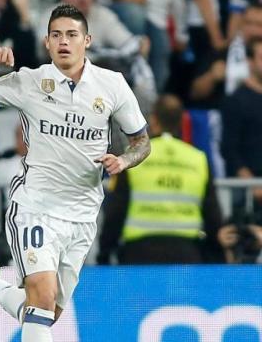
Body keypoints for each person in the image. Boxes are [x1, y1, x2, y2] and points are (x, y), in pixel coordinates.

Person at [0, 4, 150, 340]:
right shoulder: (30, 82)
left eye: (71, 35)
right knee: (41, 299)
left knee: (47, 314)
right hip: (35, 206)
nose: (64, 42)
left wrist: (125, 160)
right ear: (46, 43)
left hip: (83, 214)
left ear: (86, 40)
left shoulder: (112, 85)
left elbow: (142, 142)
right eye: (56, 35)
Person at [98, 94, 227, 264]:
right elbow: (212, 215)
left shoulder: (134, 156)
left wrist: (105, 253)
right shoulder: (198, 159)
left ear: (153, 120)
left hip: (139, 255)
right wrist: (217, 255)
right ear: (181, 122)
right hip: (187, 256)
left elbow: (117, 211)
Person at [221, 37, 262, 223]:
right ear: (250, 61)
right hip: (246, 189)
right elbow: (229, 148)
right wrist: (253, 186)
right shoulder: (236, 100)